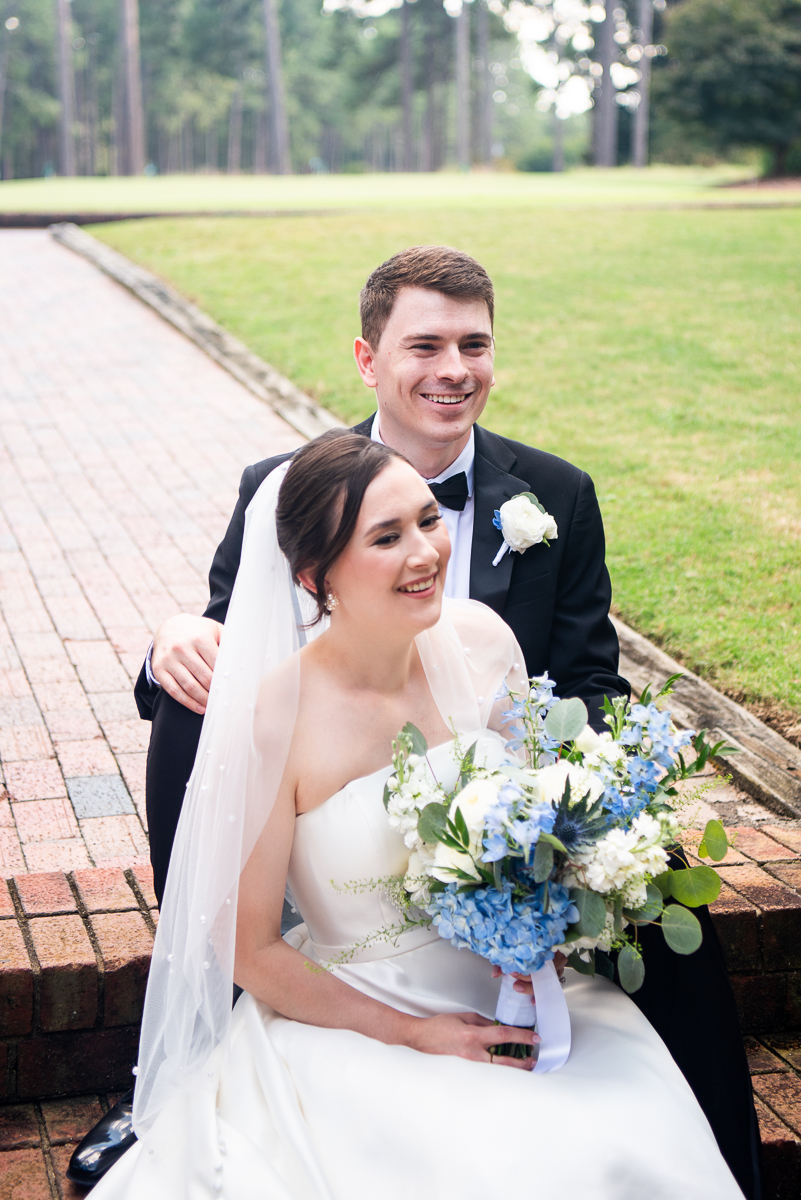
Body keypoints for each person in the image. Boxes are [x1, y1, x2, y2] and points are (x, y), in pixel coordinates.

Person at [69, 247, 759, 1197]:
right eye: (424, 344)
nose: (452, 369)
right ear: (368, 359)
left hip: (511, 832)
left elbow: (587, 683)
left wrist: (580, 822)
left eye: (473, 344)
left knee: (668, 903)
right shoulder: (285, 498)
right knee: (195, 716)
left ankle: (735, 1142)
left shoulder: (549, 503)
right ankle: (184, 1052)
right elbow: (245, 624)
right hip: (358, 936)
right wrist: (175, 637)